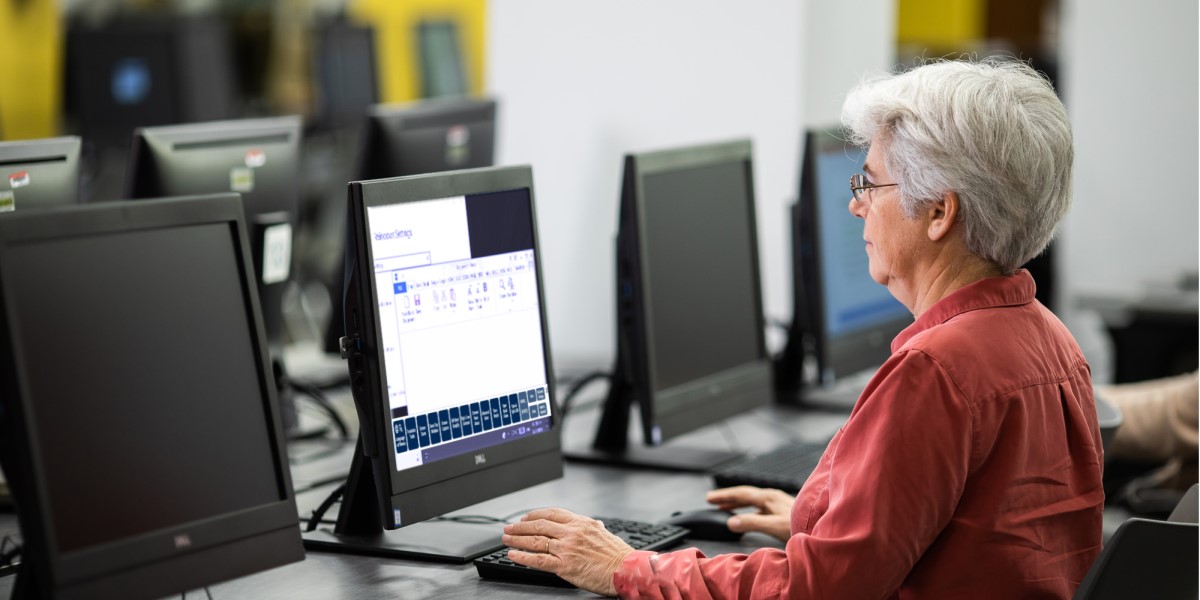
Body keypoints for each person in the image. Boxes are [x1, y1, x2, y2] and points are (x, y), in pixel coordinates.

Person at [503, 57, 1106, 599]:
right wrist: (817, 516)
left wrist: (624, 567)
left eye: (869, 183)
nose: (856, 204)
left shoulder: (937, 371)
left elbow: (817, 591)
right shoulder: (1051, 342)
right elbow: (983, 538)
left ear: (939, 213)